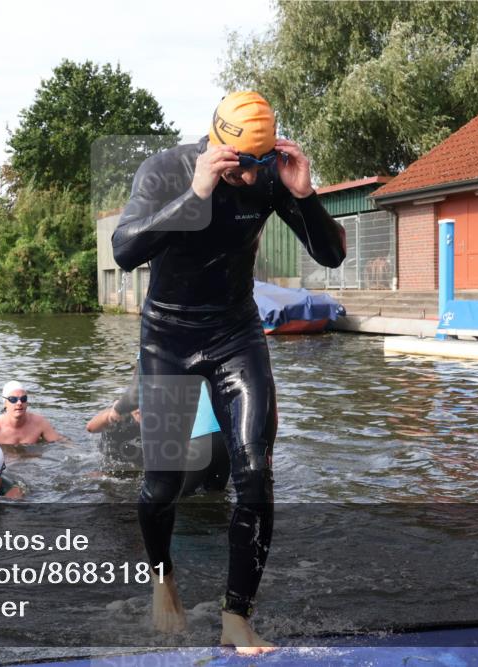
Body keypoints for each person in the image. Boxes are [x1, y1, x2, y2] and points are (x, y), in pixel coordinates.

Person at [111, 91, 346, 652]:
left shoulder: (268, 176)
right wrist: (195, 194)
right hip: (167, 337)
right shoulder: (166, 170)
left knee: (254, 468)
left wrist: (304, 194)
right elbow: (124, 249)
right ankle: (162, 574)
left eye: (260, 163)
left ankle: (236, 613)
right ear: (218, 145)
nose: (250, 176)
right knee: (163, 481)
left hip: (236, 333)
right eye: (242, 163)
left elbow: (332, 254)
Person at [87, 364, 229, 496]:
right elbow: (91, 427)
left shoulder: (163, 415)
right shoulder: (123, 413)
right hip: (117, 463)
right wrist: (114, 413)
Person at [0, 381, 62, 445]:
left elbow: (60, 442)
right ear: (5, 403)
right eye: (13, 399)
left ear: (27, 403)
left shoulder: (39, 423)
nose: (19, 403)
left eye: (23, 399)